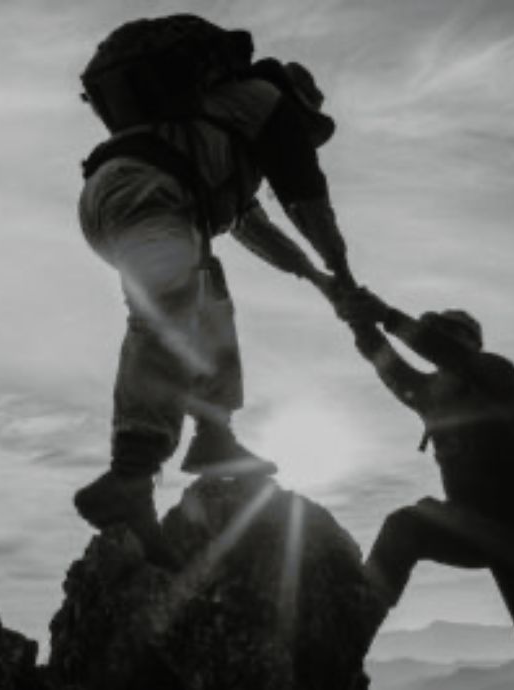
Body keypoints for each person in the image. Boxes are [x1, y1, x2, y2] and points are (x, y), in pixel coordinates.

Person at [71, 14, 354, 568]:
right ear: (301, 104)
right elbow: (306, 199)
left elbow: (251, 226)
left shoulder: (222, 127)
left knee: (210, 300)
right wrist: (342, 272)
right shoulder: (268, 106)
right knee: (166, 315)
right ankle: (130, 474)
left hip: (129, 198)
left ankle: (214, 433)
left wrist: (317, 281)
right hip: (145, 195)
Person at [338, 290, 514, 690]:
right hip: (477, 530)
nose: (438, 348)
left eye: (447, 337)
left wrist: (386, 315)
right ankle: (351, 631)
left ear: (469, 344)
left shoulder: (499, 377)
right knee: (406, 526)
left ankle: (351, 626)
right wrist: (357, 320)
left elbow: (452, 356)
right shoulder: (431, 396)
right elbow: (385, 362)